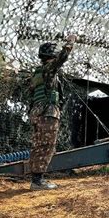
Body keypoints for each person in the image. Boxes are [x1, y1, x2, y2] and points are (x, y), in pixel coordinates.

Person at [28, 34, 77, 190]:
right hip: (47, 112)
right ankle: (38, 181)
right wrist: (70, 42)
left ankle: (36, 178)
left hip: (36, 112)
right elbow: (62, 58)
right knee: (47, 145)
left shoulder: (37, 73)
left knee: (38, 145)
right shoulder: (49, 69)